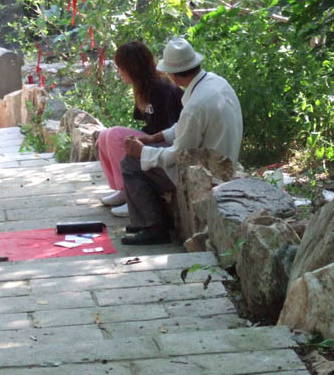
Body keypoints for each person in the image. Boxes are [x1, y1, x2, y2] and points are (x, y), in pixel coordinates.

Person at [120, 36, 242, 245]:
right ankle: (148, 220)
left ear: (172, 74)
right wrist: (156, 137)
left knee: (131, 164)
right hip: (222, 159)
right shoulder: (214, 82)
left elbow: (179, 155)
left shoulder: (195, 106)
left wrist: (142, 152)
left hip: (207, 172)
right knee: (144, 156)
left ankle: (154, 226)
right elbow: (185, 127)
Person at [97, 41, 184, 216]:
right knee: (104, 135)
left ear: (133, 68)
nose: (119, 72)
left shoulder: (161, 89)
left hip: (168, 143)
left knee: (114, 134)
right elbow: (147, 124)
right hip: (155, 138)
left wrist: (139, 141)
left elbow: (167, 130)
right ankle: (123, 190)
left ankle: (133, 194)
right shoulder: (142, 88)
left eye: (121, 68)